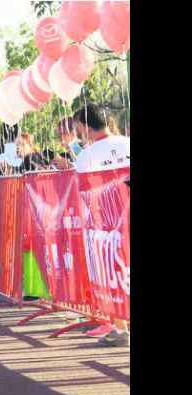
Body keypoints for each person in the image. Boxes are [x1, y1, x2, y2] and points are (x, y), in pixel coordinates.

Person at [72, 105, 130, 347]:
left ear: (85, 127)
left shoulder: (86, 156)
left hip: (108, 228)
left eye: (77, 128)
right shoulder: (127, 143)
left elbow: (85, 195)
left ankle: (121, 329)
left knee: (113, 274)